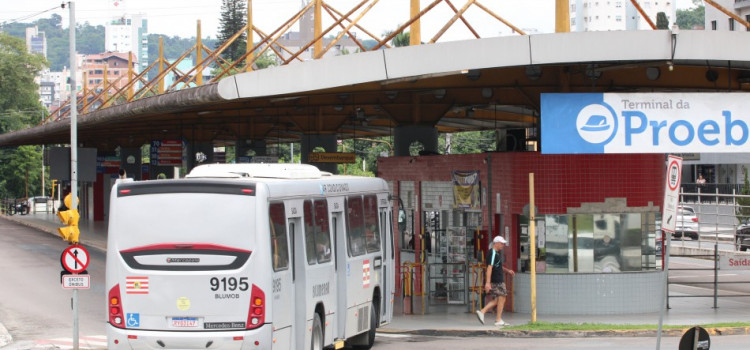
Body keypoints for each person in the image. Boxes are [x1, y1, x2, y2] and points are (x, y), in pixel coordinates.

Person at [476, 236, 514, 327]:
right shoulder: (492, 253)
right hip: (497, 280)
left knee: (499, 299)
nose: (503, 245)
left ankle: (483, 312)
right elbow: (489, 268)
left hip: (497, 279)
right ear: (496, 243)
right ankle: (497, 319)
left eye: (503, 243)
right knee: (502, 297)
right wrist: (487, 283)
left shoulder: (495, 254)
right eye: (501, 243)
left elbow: (498, 266)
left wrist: (507, 271)